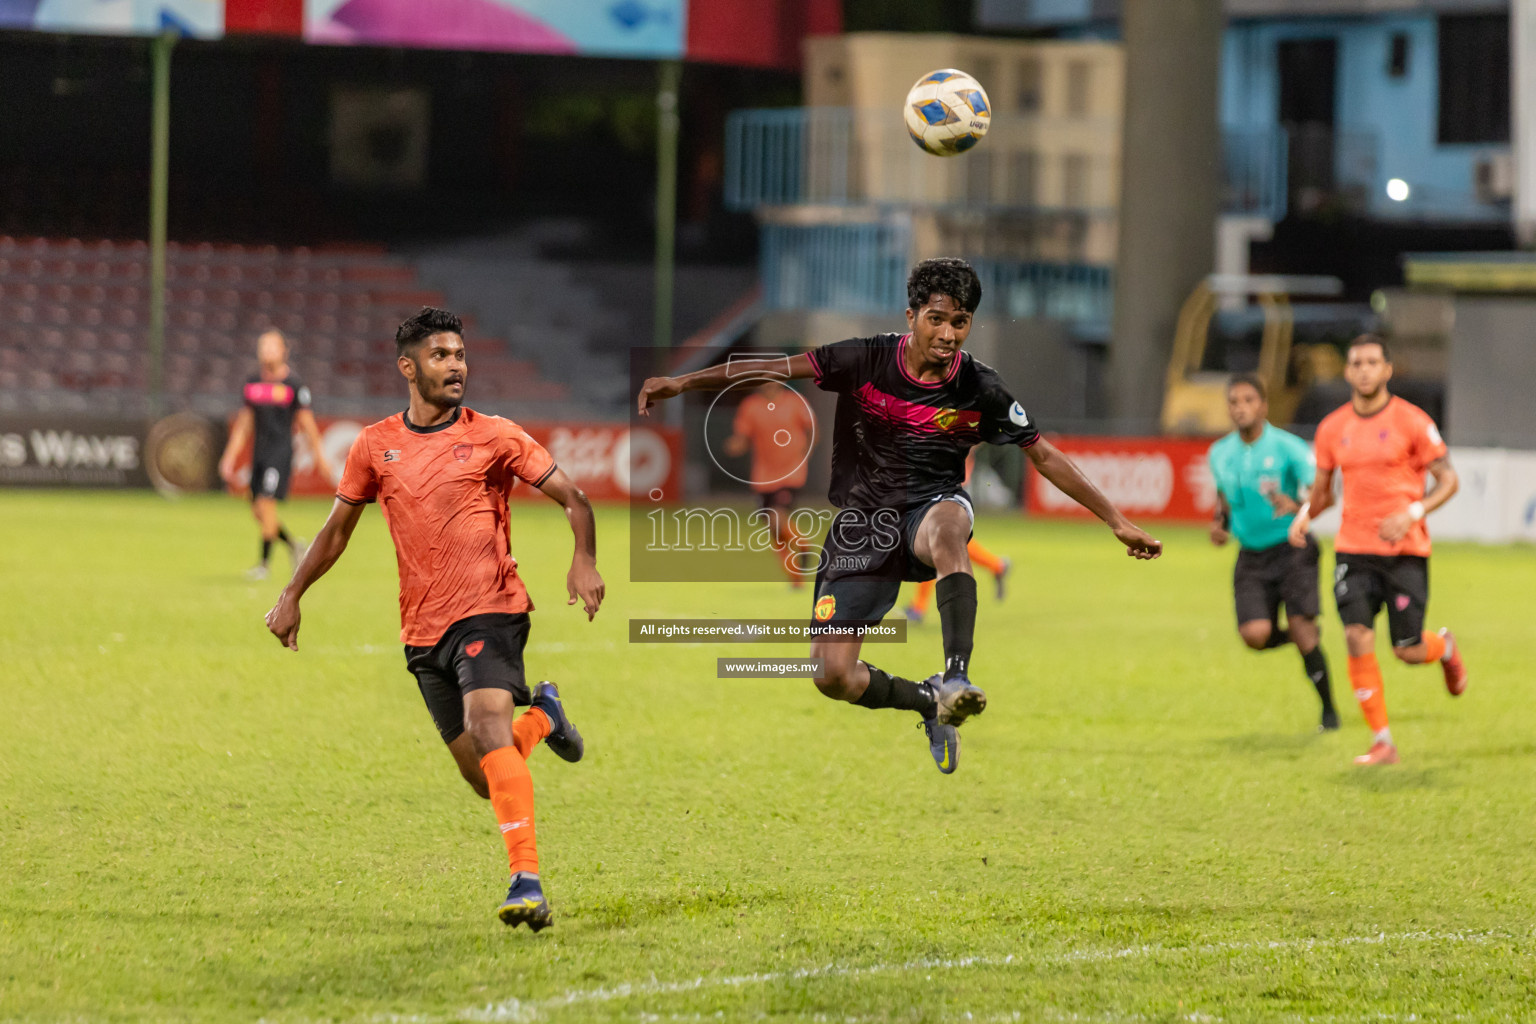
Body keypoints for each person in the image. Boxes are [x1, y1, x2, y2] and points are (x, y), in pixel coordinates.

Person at [638, 258, 1161, 775]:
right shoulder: (863, 359)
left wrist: (1115, 519)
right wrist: (684, 384)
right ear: (911, 315)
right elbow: (772, 369)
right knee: (832, 674)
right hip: (863, 524)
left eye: (960, 322)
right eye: (937, 318)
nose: (948, 333)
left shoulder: (982, 388)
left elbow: (1043, 454)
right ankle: (931, 703)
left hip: (932, 505)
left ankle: (957, 676)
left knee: (950, 532)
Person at [263, 307, 603, 929]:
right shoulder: (374, 445)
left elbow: (574, 500)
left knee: (485, 725)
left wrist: (584, 559)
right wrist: (293, 593)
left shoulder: (496, 435)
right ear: (408, 366)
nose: (456, 366)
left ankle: (526, 880)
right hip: (422, 630)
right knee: (484, 775)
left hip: (491, 609)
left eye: (461, 356)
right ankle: (544, 715)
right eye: (442, 356)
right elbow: (338, 530)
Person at [1288, 335, 1466, 766]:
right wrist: (1304, 515)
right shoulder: (1332, 428)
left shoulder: (1412, 421)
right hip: (1354, 549)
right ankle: (1382, 740)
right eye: (1356, 363)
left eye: (1372, 362)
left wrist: (1414, 510)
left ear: (1388, 369)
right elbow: (1324, 493)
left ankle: (1443, 648)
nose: (1364, 369)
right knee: (1355, 635)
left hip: (1405, 551)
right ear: (1347, 372)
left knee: (1406, 649)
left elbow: (1449, 481)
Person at [1208, 373, 1338, 731]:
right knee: (1254, 636)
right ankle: (1301, 634)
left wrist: (1297, 503)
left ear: (1263, 406)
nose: (1241, 408)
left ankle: (1329, 712)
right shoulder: (1219, 453)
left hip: (1293, 548)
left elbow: (1323, 495)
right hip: (1251, 554)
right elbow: (1223, 499)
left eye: (1249, 400)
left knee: (1302, 630)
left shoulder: (1288, 448)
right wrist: (1220, 524)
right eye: (1234, 401)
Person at [218, 329, 335, 580]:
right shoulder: (252, 383)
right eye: (263, 346)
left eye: (272, 346)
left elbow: (308, 425)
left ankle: (263, 565)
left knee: (266, 505)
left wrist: (321, 459)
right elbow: (244, 425)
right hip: (259, 454)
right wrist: (229, 456)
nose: (267, 351)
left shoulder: (293, 385)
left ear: (284, 351)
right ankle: (295, 546)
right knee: (258, 511)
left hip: (280, 454)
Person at [723, 378, 816, 585]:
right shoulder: (751, 406)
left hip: (790, 473)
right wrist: (735, 445)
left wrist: (805, 453)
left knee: (777, 519)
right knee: (774, 532)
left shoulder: (795, 402)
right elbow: (743, 437)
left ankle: (803, 543)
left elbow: (811, 428)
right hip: (763, 477)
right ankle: (796, 577)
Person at [904, 449, 1010, 623]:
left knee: (934, 542)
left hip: (948, 486)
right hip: (940, 483)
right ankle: (997, 565)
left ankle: (918, 608)